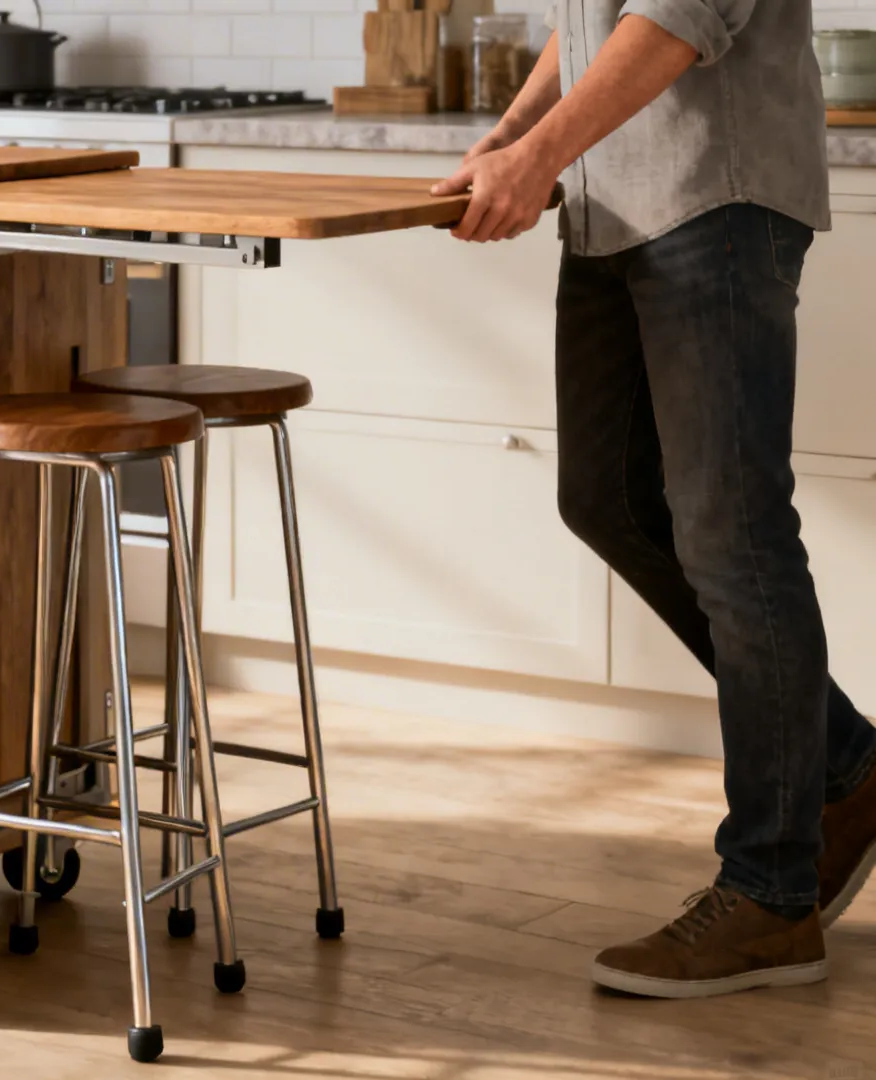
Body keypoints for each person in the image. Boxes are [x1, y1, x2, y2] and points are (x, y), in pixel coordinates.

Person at [430, 0, 876, 998]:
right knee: (608, 498)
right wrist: (512, 133)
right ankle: (842, 766)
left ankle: (770, 892)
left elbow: (676, 17)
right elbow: (596, 16)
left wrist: (539, 150)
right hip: (609, 202)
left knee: (736, 535)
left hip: (714, 200)